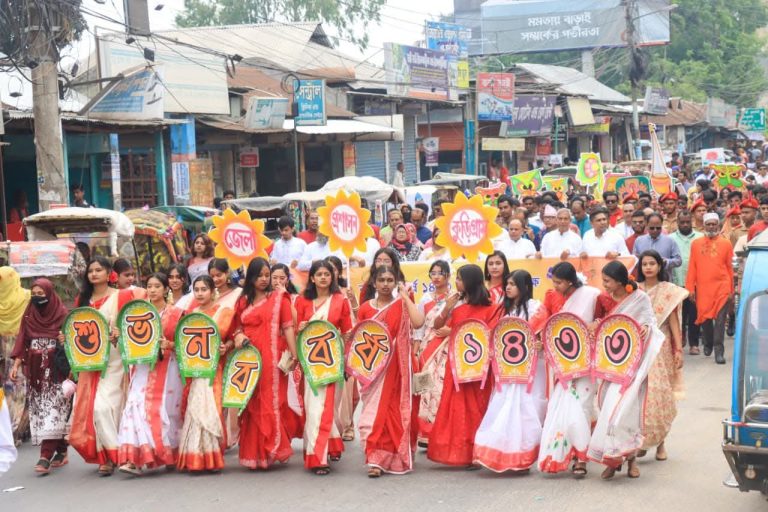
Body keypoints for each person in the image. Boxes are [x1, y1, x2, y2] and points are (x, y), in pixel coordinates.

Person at [69, 257, 146, 476]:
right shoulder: (83, 299)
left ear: (109, 273)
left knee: (109, 406)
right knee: (93, 408)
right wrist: (67, 339)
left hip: (115, 358)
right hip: (89, 360)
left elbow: (142, 304)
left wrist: (119, 332)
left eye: (98, 270)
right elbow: (76, 328)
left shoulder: (121, 296)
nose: (94, 274)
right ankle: (107, 456)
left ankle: (119, 452)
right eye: (90, 271)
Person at [588, 261, 663, 480]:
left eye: (607, 281)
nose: (604, 285)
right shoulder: (603, 299)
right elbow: (599, 323)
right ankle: (611, 461)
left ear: (620, 281)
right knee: (608, 410)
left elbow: (650, 322)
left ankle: (631, 461)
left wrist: (646, 328)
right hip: (610, 363)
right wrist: (596, 325)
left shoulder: (640, 298)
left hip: (633, 364)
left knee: (627, 411)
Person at [531, 262, 601, 477]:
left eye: (559, 282)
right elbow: (545, 322)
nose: (556, 286)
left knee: (582, 407)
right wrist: (539, 340)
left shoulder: (591, 295)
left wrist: (597, 323)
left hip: (586, 359)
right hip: (562, 362)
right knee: (564, 407)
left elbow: (606, 316)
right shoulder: (552, 296)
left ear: (571, 281)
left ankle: (581, 459)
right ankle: (568, 453)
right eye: (554, 282)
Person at [473, 270, 545, 473]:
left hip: (529, 369)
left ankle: (522, 457)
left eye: (512, 284)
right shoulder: (502, 309)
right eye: (507, 284)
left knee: (525, 410)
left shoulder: (536, 308)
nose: (508, 287)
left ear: (525, 286)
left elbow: (541, 336)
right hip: (506, 368)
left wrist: (540, 344)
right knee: (502, 407)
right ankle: (499, 453)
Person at [231, 258, 300, 469]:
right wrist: (239, 336)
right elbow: (236, 326)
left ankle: (271, 449)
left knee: (270, 400)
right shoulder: (243, 301)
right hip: (249, 357)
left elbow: (288, 327)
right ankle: (254, 453)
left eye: (266, 275)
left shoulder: (279, 298)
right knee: (251, 402)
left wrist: (294, 354)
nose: (263, 279)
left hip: (272, 356)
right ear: (251, 277)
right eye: (259, 275)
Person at [427, 265, 498, 468]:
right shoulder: (456, 306)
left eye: (459, 279)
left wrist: (453, 332)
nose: (456, 282)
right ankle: (462, 452)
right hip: (457, 364)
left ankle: (477, 450)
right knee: (457, 408)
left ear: (470, 281)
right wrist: (447, 308)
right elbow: (436, 326)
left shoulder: (491, 308)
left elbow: (491, 335)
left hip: (480, 366)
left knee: (478, 406)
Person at [356, 266, 424, 477]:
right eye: (381, 280)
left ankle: (384, 459)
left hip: (397, 369)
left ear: (396, 283)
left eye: (390, 280)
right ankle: (374, 458)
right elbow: (360, 339)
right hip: (374, 371)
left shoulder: (401, 304)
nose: (385, 284)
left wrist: (405, 296)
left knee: (392, 414)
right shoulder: (365, 308)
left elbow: (418, 322)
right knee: (372, 416)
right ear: (374, 283)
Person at [117, 273, 184, 475]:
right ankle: (134, 459)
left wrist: (169, 344)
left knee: (166, 411)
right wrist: (117, 337)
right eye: (149, 286)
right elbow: (128, 341)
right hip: (141, 368)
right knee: (135, 406)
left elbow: (184, 343)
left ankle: (169, 453)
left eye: (157, 286)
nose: (153, 290)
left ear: (166, 289)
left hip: (168, 367)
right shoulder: (138, 312)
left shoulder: (177, 314)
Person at [294, 261, 354, 475]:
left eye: (326, 274)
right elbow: (294, 330)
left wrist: (345, 360)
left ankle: (320, 455)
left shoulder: (340, 300)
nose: (323, 278)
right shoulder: (302, 301)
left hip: (331, 361)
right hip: (309, 361)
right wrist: (301, 328)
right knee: (314, 407)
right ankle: (327, 447)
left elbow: (347, 332)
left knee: (324, 407)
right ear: (312, 278)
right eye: (318, 274)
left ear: (332, 277)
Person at [10, 278, 69, 474]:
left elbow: (73, 340)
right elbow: (23, 340)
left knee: (53, 411)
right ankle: (61, 450)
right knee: (44, 412)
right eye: (34, 294)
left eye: (40, 294)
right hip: (35, 372)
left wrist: (64, 340)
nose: (37, 298)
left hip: (56, 371)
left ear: (49, 294)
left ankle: (45, 456)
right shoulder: (29, 315)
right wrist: (16, 365)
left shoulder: (62, 314)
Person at [176, 275, 235, 473]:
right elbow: (182, 342)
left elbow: (232, 337)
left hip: (213, 369)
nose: (200, 293)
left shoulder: (223, 312)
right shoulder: (190, 315)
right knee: (195, 409)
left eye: (204, 289)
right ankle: (195, 457)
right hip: (195, 370)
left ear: (212, 291)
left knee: (210, 409)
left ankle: (211, 458)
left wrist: (226, 347)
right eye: (197, 290)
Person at [636, 251, 687, 462]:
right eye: (644, 264)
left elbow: (673, 321)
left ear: (659, 266)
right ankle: (642, 440)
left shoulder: (668, 290)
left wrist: (678, 349)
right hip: (639, 347)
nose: (648, 267)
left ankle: (660, 443)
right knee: (641, 397)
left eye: (652, 263)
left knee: (659, 395)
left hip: (661, 345)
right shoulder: (634, 289)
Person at [686, 213, 734, 364]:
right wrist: (690, 288)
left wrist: (731, 289)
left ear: (718, 225)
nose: (711, 227)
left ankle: (719, 352)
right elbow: (692, 267)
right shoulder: (696, 244)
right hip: (703, 288)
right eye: (709, 224)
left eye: (714, 224)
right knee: (706, 319)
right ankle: (708, 342)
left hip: (722, 287)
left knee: (720, 321)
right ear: (704, 225)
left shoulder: (726, 243)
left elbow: (730, 268)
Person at [415, 261, 451, 446]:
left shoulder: (454, 297)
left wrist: (449, 332)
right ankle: (423, 432)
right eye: (433, 273)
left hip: (445, 346)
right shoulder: (425, 299)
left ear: (448, 276)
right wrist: (416, 349)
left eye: (440, 273)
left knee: (440, 388)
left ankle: (439, 431)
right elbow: (419, 327)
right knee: (424, 388)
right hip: (427, 346)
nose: (436, 277)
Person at [0, 267, 30, 447]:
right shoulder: (25, 297)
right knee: (15, 389)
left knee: (15, 389)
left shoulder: (27, 297)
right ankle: (15, 429)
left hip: (16, 348)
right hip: (18, 347)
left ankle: (14, 430)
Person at [669, 211, 704, 355]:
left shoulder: (700, 237)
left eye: (687, 222)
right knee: (679, 315)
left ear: (692, 222)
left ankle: (694, 344)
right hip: (676, 282)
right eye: (682, 222)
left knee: (694, 314)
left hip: (695, 283)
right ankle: (680, 340)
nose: (685, 225)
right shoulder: (670, 238)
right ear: (677, 222)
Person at [632, 213, 682, 280]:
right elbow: (633, 261)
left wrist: (666, 262)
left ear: (661, 225)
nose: (655, 230)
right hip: (645, 281)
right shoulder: (639, 241)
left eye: (658, 228)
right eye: (652, 228)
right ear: (647, 225)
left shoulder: (670, 241)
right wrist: (641, 261)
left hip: (664, 281)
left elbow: (678, 261)